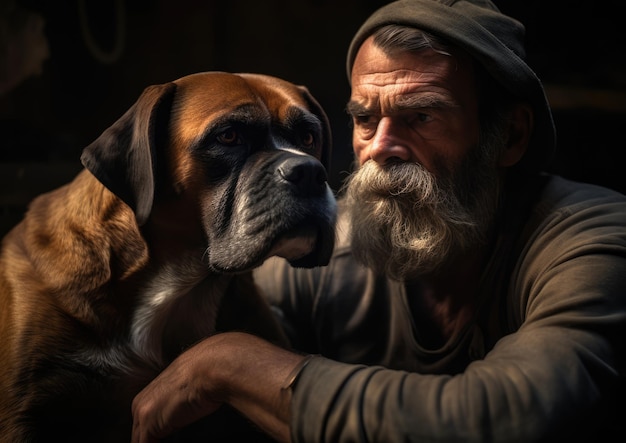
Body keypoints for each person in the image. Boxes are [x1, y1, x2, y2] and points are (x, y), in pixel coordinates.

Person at [131, 0, 626, 441]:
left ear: (510, 136)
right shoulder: (326, 251)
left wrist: (230, 363)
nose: (380, 148)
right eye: (365, 119)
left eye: (422, 117)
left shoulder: (593, 238)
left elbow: (511, 417)